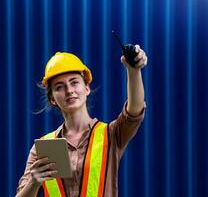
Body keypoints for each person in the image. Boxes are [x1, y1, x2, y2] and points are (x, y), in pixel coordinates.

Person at [16, 45, 147, 197]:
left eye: (74, 82)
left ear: (86, 88)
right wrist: (34, 181)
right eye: (59, 86)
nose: (69, 90)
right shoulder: (42, 148)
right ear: (53, 99)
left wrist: (133, 70)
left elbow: (135, 110)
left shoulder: (111, 134)